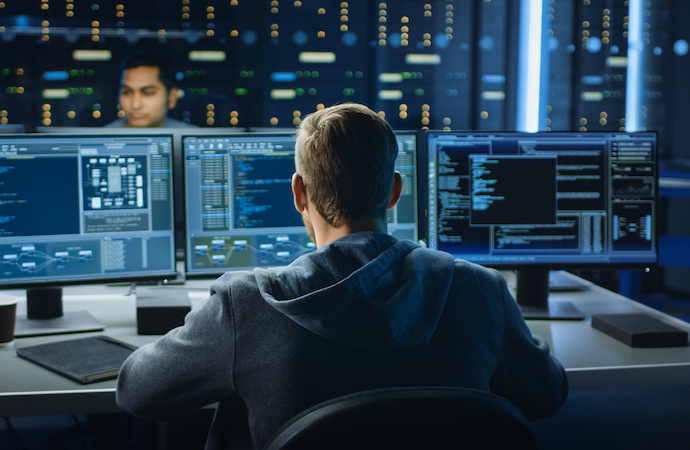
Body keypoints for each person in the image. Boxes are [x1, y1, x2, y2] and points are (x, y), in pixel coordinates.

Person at [116, 103, 568, 449]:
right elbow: (547, 395)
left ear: (299, 193)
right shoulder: (481, 290)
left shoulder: (246, 305)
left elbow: (137, 393)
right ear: (394, 192)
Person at [105, 51, 196, 128]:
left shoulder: (193, 138)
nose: (135, 105)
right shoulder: (101, 138)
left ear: (172, 98)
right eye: (127, 92)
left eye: (148, 93)